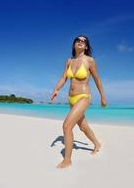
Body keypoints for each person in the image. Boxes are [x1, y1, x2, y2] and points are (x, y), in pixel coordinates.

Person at [50, 35, 107, 169]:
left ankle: (67, 160)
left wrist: (102, 97)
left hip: (83, 96)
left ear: (86, 46)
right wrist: (56, 89)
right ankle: (97, 144)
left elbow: (97, 79)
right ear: (74, 44)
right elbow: (64, 77)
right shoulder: (69, 61)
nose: (80, 42)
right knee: (83, 126)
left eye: (84, 41)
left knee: (66, 126)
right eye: (78, 40)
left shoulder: (90, 60)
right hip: (71, 99)